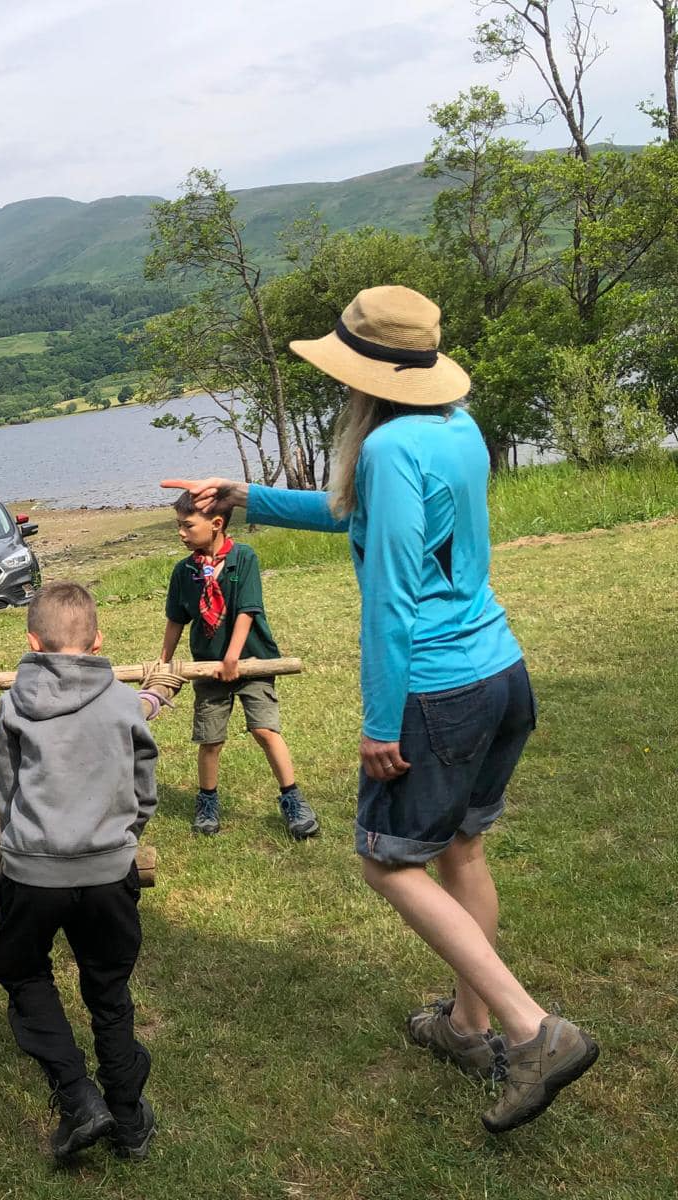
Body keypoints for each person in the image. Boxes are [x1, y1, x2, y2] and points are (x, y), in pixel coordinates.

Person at [164, 284, 598, 1133]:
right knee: (461, 848)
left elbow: (393, 598)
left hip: (436, 691)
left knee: (388, 863)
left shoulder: (390, 447)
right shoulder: (454, 427)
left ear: (367, 375)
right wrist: (243, 495)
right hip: (499, 673)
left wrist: (379, 721)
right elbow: (355, 516)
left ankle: (532, 1031)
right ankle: (467, 1026)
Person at [0, 582, 159, 1162]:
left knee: (21, 970)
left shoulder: (14, 702)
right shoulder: (125, 701)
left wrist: (20, 841)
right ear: (98, 640)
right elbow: (143, 784)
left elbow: (6, 788)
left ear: (32, 642)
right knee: (108, 988)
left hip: (33, 872)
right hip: (109, 870)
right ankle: (128, 1117)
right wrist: (124, 837)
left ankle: (77, 1096)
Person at [161, 490, 318, 839]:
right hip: (209, 667)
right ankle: (207, 802)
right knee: (210, 739)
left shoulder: (243, 558)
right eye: (179, 526)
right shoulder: (184, 571)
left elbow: (247, 611)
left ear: (217, 524)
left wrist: (233, 657)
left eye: (188, 525)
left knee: (265, 730)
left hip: (252, 660)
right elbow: (175, 619)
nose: (181, 533)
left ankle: (293, 799)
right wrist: (163, 662)